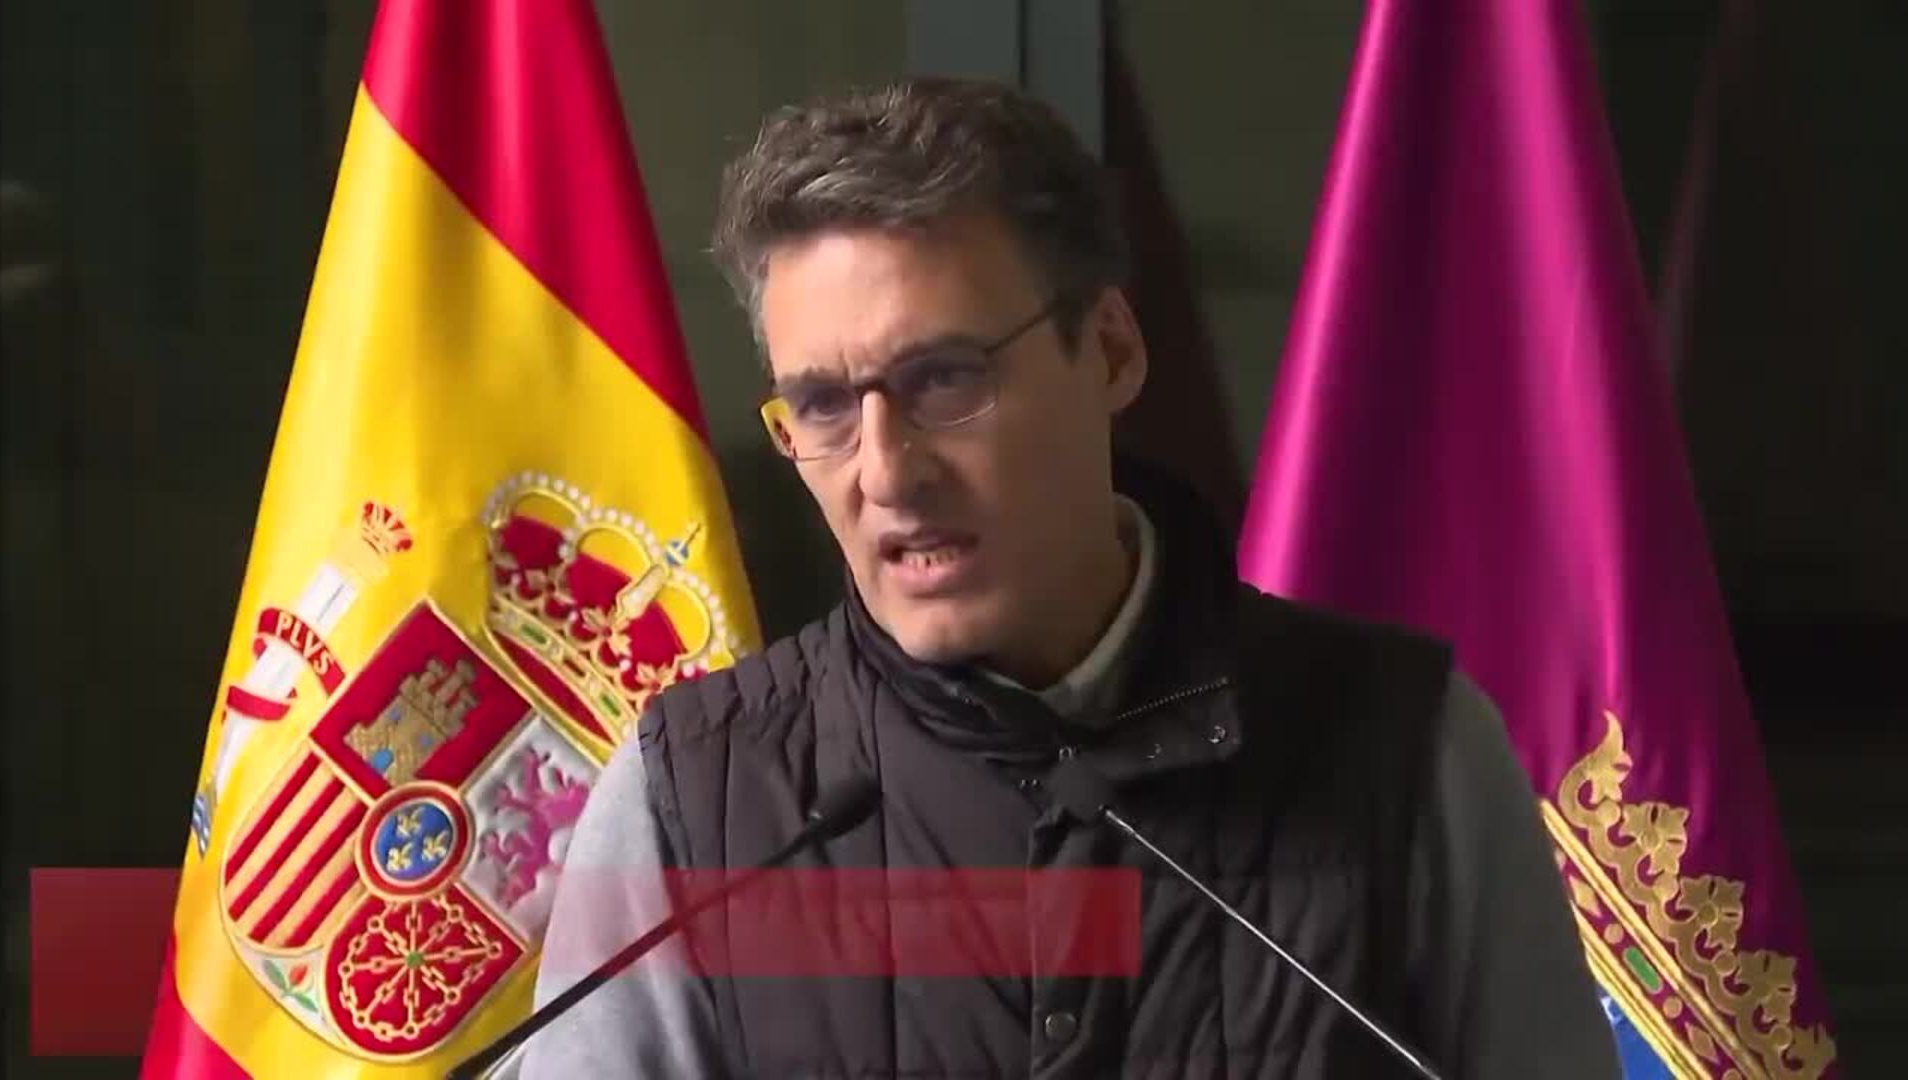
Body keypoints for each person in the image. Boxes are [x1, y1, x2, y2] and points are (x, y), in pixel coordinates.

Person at [523, 77, 1619, 1079]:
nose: (887, 472)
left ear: (1109, 352)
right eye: (822, 407)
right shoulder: (693, 800)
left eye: (944, 379)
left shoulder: (1412, 751)